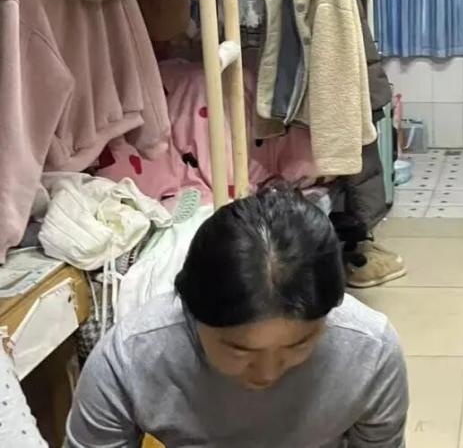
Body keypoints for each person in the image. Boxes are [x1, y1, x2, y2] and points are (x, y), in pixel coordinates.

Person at [66, 188, 408, 448]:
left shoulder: (370, 352)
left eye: (300, 344)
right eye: (239, 350)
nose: (267, 373)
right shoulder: (130, 359)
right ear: (190, 312)